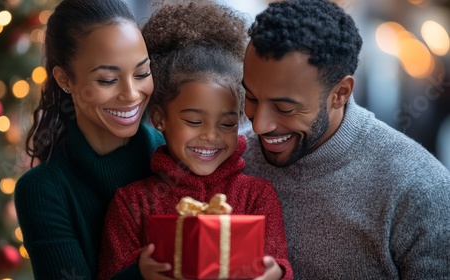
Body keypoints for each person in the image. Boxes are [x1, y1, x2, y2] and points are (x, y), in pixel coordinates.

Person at [240, 0, 450, 279]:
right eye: (251, 98)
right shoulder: (233, 160)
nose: (259, 123)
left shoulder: (418, 188)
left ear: (341, 92)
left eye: (285, 108)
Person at [97, 1, 293, 280]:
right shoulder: (132, 204)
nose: (211, 135)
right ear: (160, 118)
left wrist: (276, 274)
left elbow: (277, 264)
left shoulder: (256, 197)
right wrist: (138, 273)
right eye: (194, 121)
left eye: (226, 124)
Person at [14, 0, 165, 278]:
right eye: (107, 79)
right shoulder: (42, 192)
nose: (132, 93)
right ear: (65, 79)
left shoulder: (173, 155)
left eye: (142, 73)